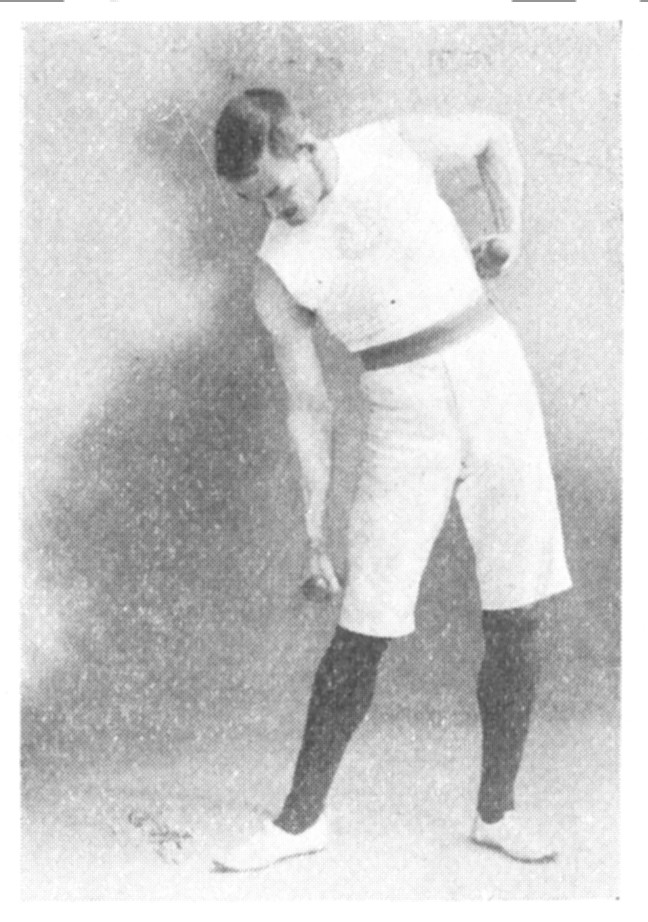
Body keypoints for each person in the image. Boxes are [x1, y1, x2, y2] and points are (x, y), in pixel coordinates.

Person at [210, 88, 572, 871]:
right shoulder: (277, 272)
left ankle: (497, 811)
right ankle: (301, 820)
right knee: (366, 619)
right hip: (403, 412)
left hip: (493, 372)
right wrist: (314, 527)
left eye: (277, 189)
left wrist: (510, 232)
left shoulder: (393, 144)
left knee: (518, 605)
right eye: (254, 201)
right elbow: (309, 408)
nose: (273, 210)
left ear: (305, 145)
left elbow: (494, 130)